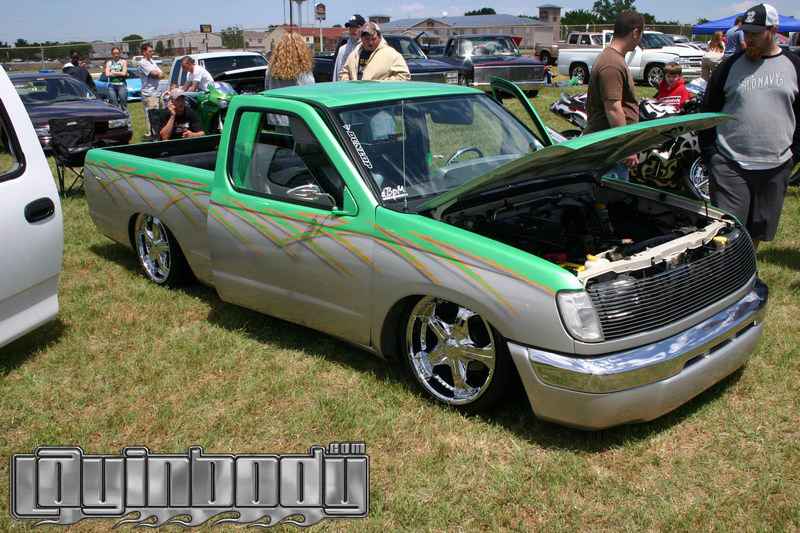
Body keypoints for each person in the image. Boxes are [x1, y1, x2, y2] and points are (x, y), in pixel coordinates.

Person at [700, 3, 800, 250]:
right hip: (730, 164)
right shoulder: (729, 67)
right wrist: (712, 155)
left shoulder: (794, 65)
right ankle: (726, 274)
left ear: (773, 31)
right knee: (728, 234)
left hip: (776, 166)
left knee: (758, 232)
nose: (748, 39)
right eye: (745, 32)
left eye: (755, 33)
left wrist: (794, 154)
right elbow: (707, 113)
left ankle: (748, 271)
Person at [584, 11, 645, 175]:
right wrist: (626, 148)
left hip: (612, 149)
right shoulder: (612, 64)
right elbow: (613, 109)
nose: (640, 40)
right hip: (610, 153)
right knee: (612, 191)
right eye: (641, 34)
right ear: (635, 32)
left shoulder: (614, 59)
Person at [339, 22, 410, 81]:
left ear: (379, 37)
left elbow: (404, 76)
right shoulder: (354, 54)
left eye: (373, 39)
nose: (370, 43)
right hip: (356, 93)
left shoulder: (392, 54)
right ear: (361, 39)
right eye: (366, 39)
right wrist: (348, 83)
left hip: (379, 93)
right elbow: (344, 72)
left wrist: (381, 84)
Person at [139, 43, 163, 141]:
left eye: (152, 51)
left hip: (156, 92)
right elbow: (154, 74)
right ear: (144, 52)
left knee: (156, 114)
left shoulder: (152, 61)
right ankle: (153, 135)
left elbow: (161, 73)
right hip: (149, 93)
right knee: (152, 115)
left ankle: (155, 133)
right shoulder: (143, 63)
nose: (152, 53)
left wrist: (159, 74)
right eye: (150, 51)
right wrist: (158, 74)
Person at [333, 14, 365, 82]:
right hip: (345, 86)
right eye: (350, 27)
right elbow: (337, 72)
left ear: (363, 28)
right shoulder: (342, 50)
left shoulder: (368, 48)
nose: (353, 30)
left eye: (356, 27)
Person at [104, 46, 128, 111]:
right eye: (114, 53)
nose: (116, 55)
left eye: (117, 53)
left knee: (123, 104)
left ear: (120, 53)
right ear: (112, 54)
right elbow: (107, 74)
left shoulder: (123, 62)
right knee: (114, 105)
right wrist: (119, 73)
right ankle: (117, 117)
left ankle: (125, 116)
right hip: (112, 86)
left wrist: (113, 72)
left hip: (121, 85)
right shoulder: (109, 62)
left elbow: (124, 73)